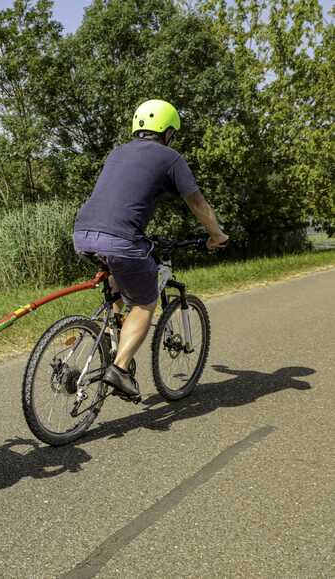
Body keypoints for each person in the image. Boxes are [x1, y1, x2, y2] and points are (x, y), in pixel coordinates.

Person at [73, 99, 228, 399]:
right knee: (145, 301)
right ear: (168, 131)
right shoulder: (170, 158)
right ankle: (118, 368)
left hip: (82, 234)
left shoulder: (117, 153)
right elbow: (197, 202)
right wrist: (216, 235)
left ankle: (111, 337)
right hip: (120, 238)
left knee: (118, 282)